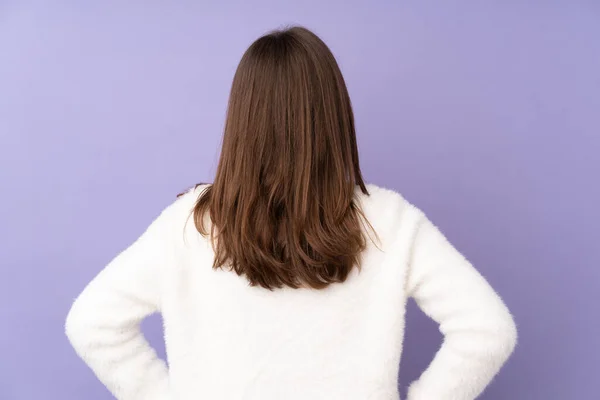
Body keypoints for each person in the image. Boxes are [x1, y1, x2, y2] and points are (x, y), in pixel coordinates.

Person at [65, 26, 517, 400]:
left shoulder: (190, 223)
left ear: (242, 120)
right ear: (334, 115)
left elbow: (91, 324)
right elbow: (489, 332)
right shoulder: (389, 220)